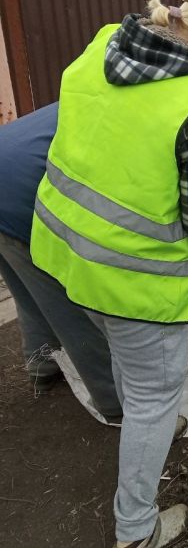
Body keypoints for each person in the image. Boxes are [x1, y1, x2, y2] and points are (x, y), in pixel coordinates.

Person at [30, 0, 188, 548]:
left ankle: (144, 419)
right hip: (134, 281)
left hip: (65, 254)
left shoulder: (105, 45)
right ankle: (136, 531)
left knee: (129, 366)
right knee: (154, 396)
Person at [0, 104, 122, 414]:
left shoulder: (93, 99)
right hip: (21, 194)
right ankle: (114, 401)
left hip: (9, 170)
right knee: (70, 303)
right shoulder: (137, 124)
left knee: (29, 288)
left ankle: (42, 367)